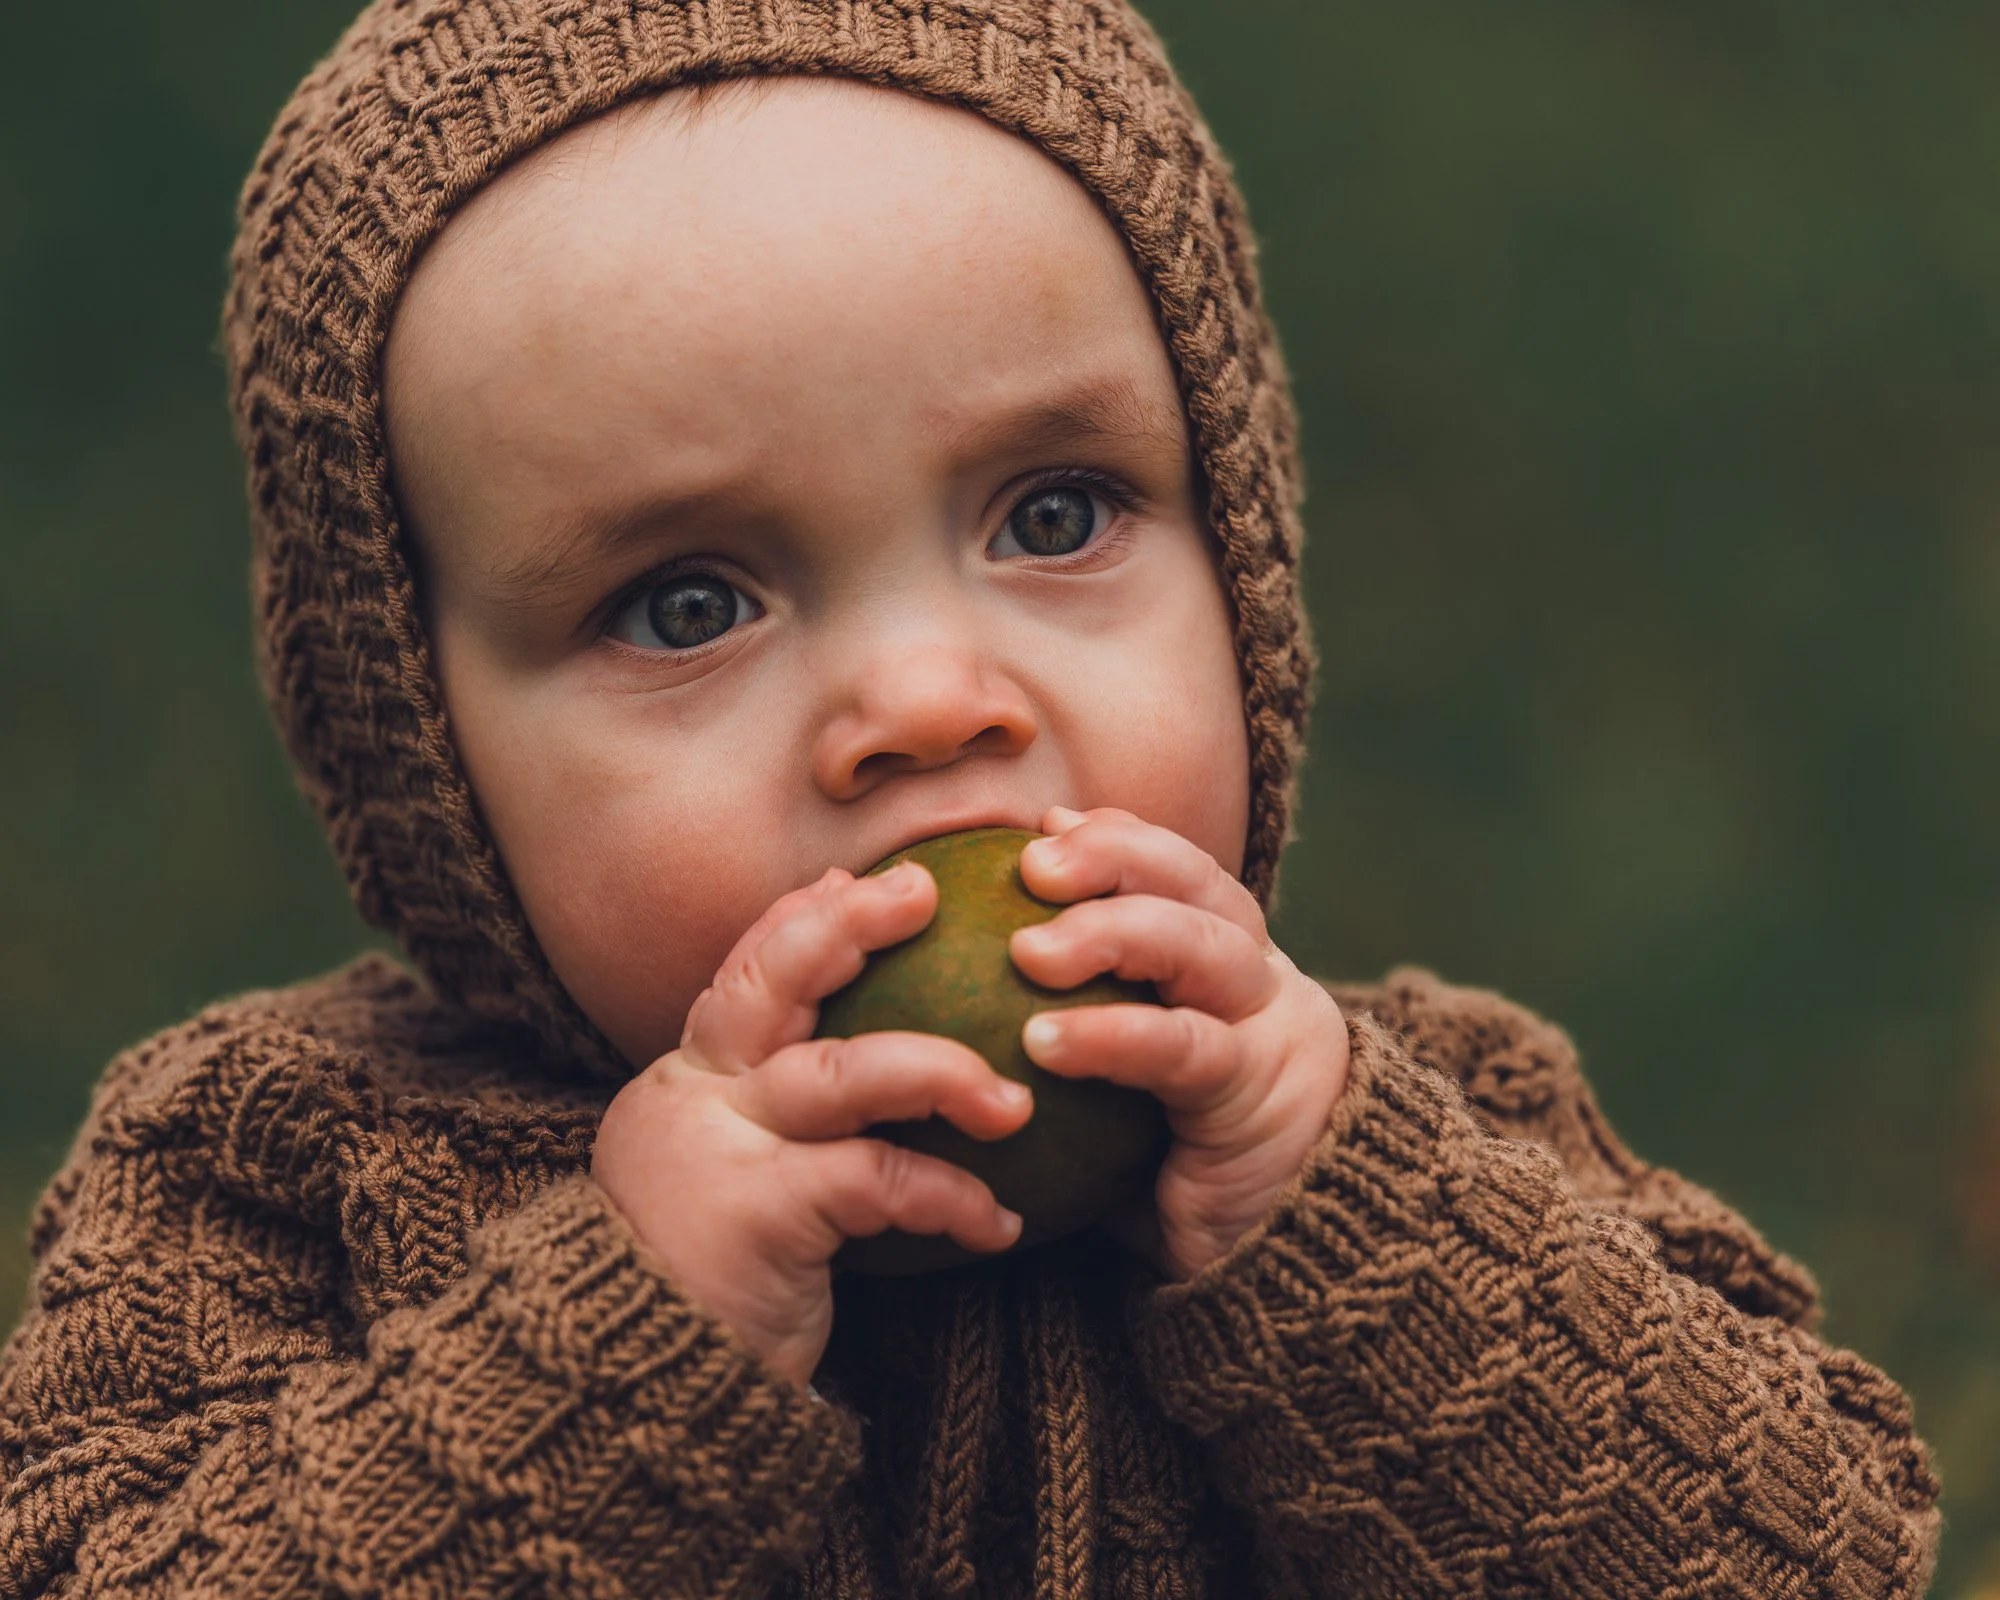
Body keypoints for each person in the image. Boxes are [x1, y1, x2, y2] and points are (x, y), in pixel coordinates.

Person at [0, 3, 1940, 1596]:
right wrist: (613, 1337)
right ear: (415, 747)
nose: (927, 706)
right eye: (686, 601)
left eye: (1054, 512)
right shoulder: (278, 1181)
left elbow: (1818, 1553)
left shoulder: (1429, 1126)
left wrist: (1342, 1219)